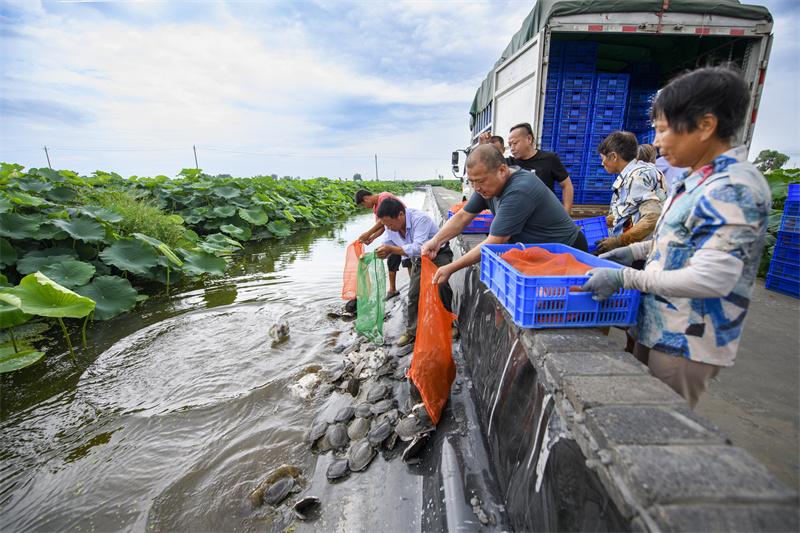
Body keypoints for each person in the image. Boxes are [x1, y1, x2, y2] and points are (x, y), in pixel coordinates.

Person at [581, 66, 771, 409]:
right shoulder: (696, 179)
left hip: (686, 337)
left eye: (664, 129)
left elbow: (713, 276)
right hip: (657, 325)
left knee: (657, 423)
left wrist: (625, 276)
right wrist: (633, 250)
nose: (656, 142)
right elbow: (676, 241)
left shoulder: (733, 187)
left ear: (705, 125)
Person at [423, 145, 587, 286]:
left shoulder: (519, 190)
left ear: (502, 170)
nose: (476, 187)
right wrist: (436, 240)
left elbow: (495, 242)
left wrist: (451, 268)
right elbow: (463, 216)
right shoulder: (489, 186)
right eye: (472, 181)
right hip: (539, 252)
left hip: (566, 252)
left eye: (479, 181)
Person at [374, 197, 453, 347]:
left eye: (390, 224)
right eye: (385, 225)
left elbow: (419, 247)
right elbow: (387, 243)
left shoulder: (420, 219)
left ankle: (449, 324)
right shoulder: (390, 228)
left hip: (439, 254)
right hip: (418, 260)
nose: (388, 228)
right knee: (413, 295)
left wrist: (391, 250)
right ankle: (412, 331)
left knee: (441, 286)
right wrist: (377, 252)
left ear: (400, 215)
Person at [595, 131, 667, 254]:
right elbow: (630, 211)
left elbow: (652, 217)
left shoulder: (636, 177)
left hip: (639, 252)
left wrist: (619, 241)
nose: (602, 163)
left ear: (613, 156)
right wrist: (601, 222)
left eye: (603, 158)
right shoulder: (639, 171)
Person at [506, 122, 575, 214]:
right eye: (510, 145)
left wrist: (566, 213)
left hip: (546, 216)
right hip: (519, 217)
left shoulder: (549, 159)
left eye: (515, 143)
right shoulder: (508, 163)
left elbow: (567, 185)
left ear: (529, 139)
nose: (512, 148)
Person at [355, 189, 411, 300]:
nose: (365, 207)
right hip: (392, 232)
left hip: (403, 229)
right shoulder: (376, 208)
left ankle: (415, 287)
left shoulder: (384, 197)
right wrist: (371, 238)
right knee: (392, 259)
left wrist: (368, 233)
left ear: (366, 198)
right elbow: (383, 226)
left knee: (408, 260)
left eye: (363, 204)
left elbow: (383, 222)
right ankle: (392, 289)